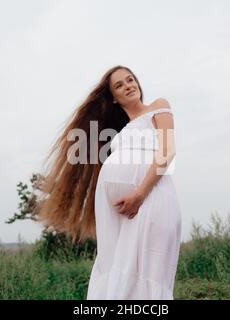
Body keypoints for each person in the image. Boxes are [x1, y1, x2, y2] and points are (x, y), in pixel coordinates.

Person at [34, 65, 182, 300]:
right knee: (116, 269)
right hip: (121, 214)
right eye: (119, 85)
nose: (128, 86)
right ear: (113, 97)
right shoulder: (119, 131)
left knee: (151, 271)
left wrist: (139, 195)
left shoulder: (158, 106)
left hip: (152, 198)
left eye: (130, 79)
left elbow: (167, 152)